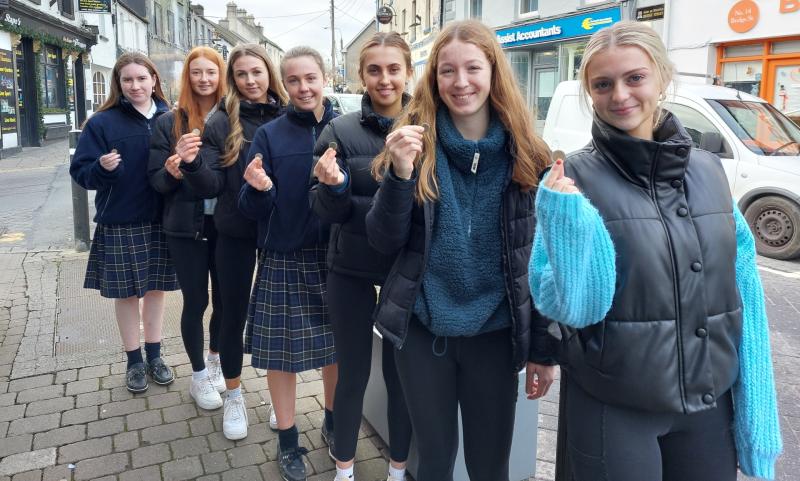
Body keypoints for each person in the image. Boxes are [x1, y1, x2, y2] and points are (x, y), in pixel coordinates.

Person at [528, 21, 782, 481]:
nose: (619, 94)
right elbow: (569, 308)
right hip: (616, 405)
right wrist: (565, 225)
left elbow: (743, 287)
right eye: (602, 84)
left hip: (708, 404)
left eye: (635, 78)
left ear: (662, 78)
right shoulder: (571, 182)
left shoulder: (709, 171)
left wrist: (756, 410)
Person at [366, 20, 557, 481]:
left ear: (493, 72)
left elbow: (544, 262)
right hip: (423, 332)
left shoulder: (531, 155)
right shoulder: (413, 144)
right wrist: (399, 175)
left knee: (490, 465)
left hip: (495, 335)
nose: (461, 82)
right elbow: (383, 241)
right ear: (434, 79)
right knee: (432, 460)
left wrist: (545, 349)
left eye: (472, 68)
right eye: (447, 71)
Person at [312, 31, 414, 481]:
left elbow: (428, 208)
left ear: (409, 72)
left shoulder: (429, 124)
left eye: (394, 69)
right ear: (361, 75)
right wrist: (335, 188)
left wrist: (357, 205)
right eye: (375, 69)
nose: (385, 79)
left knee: (401, 378)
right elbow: (322, 209)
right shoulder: (338, 130)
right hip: (349, 269)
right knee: (351, 374)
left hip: (405, 272)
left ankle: (397, 469)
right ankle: (345, 469)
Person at [238, 46, 338, 481]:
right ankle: (287, 439)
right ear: (285, 83)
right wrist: (258, 189)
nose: (303, 88)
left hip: (336, 257)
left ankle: (334, 423)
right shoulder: (269, 136)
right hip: (283, 255)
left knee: (338, 351)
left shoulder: (345, 128)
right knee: (283, 357)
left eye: (310, 78)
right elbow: (250, 208)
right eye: (294, 80)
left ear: (325, 76)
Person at [179, 43, 287, 439]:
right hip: (236, 230)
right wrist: (192, 164)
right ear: (233, 79)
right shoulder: (222, 121)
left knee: (278, 315)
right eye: (241, 74)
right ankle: (235, 396)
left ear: (269, 73)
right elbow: (212, 183)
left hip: (279, 232)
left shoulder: (289, 114)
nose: (250, 80)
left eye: (256, 72)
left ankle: (282, 399)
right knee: (231, 312)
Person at [70, 52, 177, 394]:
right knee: (128, 295)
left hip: (162, 219)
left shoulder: (171, 117)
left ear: (154, 80)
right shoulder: (102, 123)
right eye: (127, 80)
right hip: (121, 222)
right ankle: (134, 360)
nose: (135, 86)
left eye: (141, 78)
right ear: (118, 84)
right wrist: (100, 167)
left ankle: (156, 355)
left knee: (157, 291)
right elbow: (82, 173)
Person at [148, 46, 227, 410]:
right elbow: (156, 184)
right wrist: (170, 171)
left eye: (210, 72)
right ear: (187, 77)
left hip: (227, 225)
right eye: (196, 72)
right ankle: (197, 375)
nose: (204, 79)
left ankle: (214, 360)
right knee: (196, 300)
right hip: (185, 227)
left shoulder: (232, 118)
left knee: (225, 300)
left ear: (220, 75)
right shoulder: (168, 122)